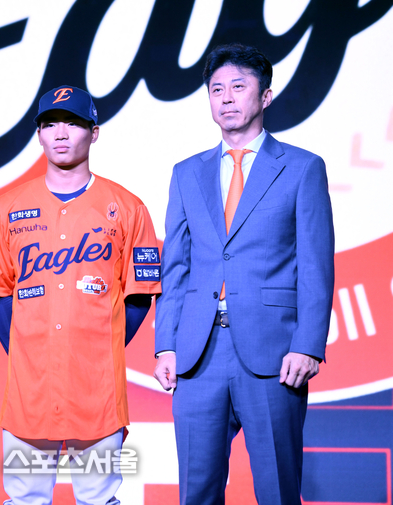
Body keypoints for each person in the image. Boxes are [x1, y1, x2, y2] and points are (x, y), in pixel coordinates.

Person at [154, 43, 335, 504]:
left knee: (277, 490)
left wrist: (308, 345)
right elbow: (176, 267)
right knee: (196, 491)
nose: (227, 98)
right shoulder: (186, 173)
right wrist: (166, 344)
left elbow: (316, 266)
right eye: (217, 89)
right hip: (197, 354)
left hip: (272, 354)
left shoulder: (302, 168)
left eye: (239, 86)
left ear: (265, 96)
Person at [0, 85, 162, 504]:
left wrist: (99, 349)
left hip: (98, 392)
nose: (60, 133)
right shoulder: (6, 208)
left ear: (94, 133)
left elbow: (139, 296)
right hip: (29, 391)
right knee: (26, 497)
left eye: (73, 123)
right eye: (50, 124)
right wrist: (28, 351)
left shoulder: (128, 207)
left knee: (98, 497)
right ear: (39, 135)